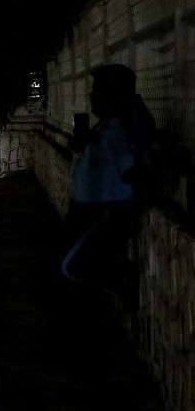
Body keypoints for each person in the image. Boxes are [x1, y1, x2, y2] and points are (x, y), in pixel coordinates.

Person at [62, 63, 155, 312]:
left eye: (97, 90)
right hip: (89, 209)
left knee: (71, 266)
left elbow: (134, 168)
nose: (91, 96)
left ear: (114, 95)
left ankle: (121, 280)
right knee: (70, 266)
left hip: (103, 212)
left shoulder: (122, 129)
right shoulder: (109, 124)